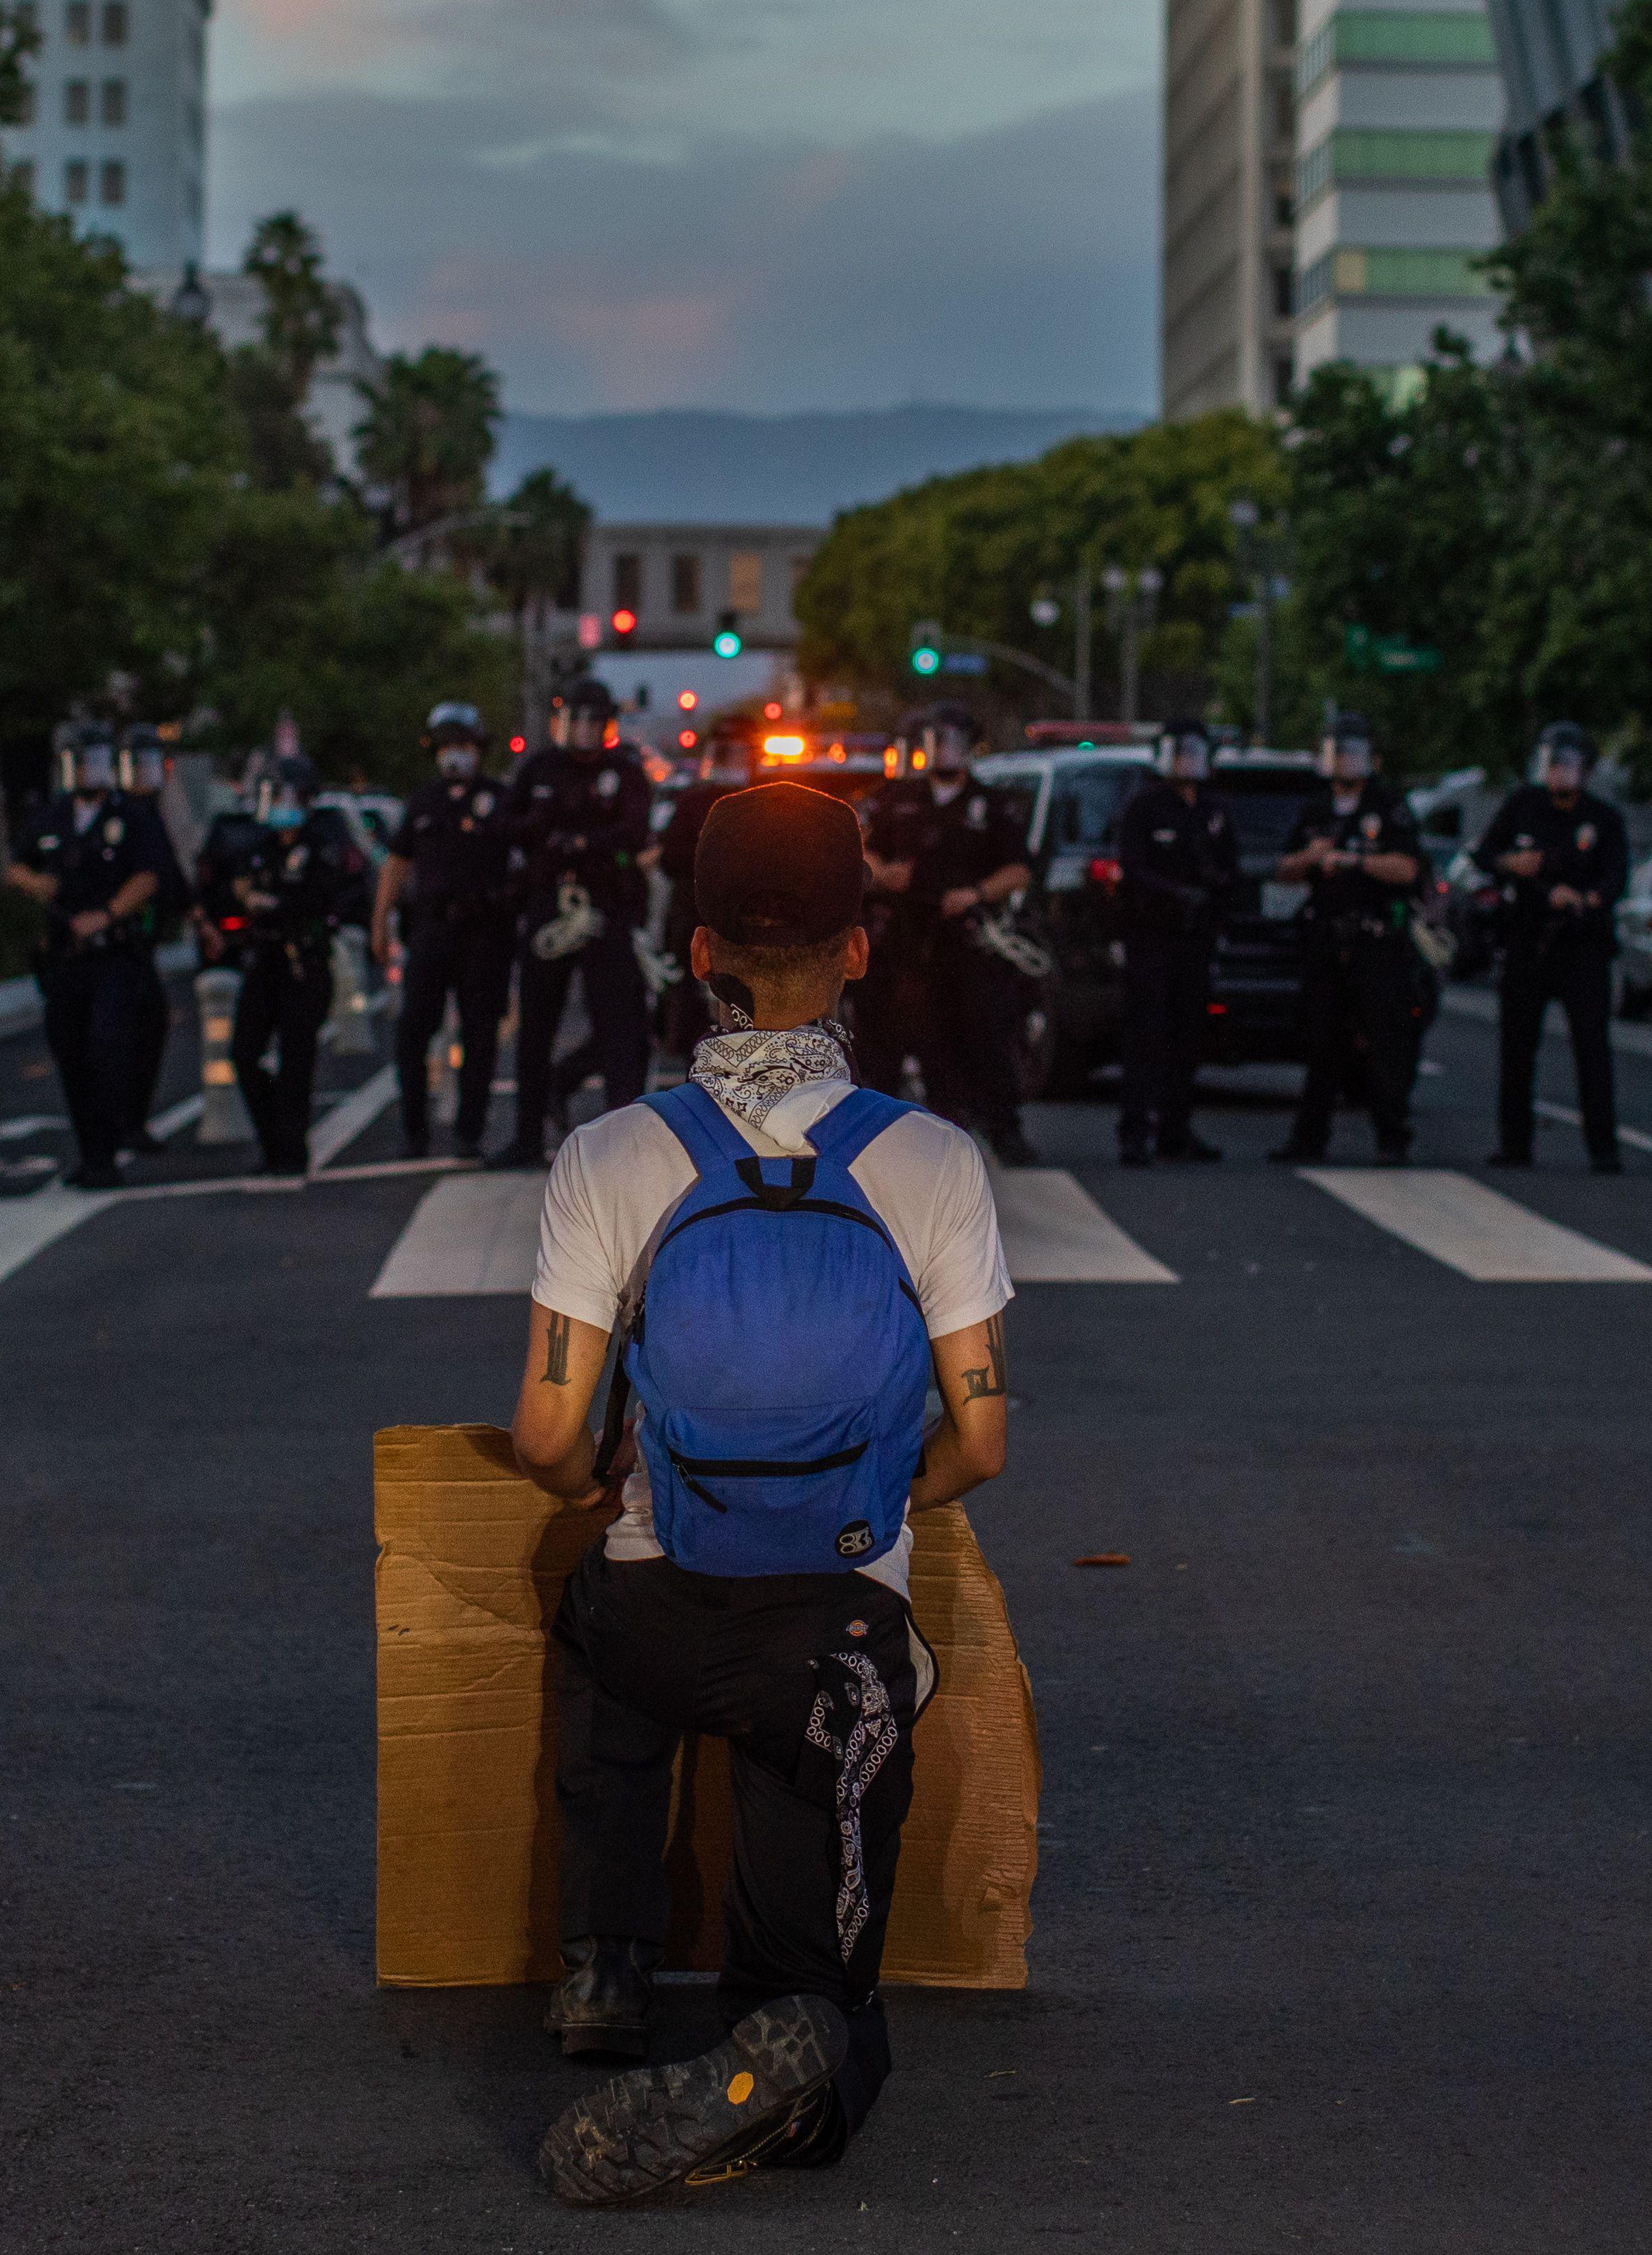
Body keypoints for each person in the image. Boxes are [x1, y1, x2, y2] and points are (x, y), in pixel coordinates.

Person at [516, 778, 1012, 2205]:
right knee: (829, 2002)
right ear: (861, 949)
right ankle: (783, 2030)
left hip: (661, 1610)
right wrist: (872, 1489)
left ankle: (604, 1960)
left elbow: (549, 1435)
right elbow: (981, 1443)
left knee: (593, 1615)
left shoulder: (612, 1153)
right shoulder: (928, 1160)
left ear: (697, 951)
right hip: (833, 1636)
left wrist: (613, 1464)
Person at [858, 702, 1040, 1167]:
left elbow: (1020, 870)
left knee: (985, 1035)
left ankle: (1004, 1129)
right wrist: (883, 875)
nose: (947, 750)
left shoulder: (991, 804)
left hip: (966, 940)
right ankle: (898, 1139)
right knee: (899, 1040)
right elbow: (865, 849)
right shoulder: (898, 797)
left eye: (957, 741)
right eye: (940, 740)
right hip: (904, 940)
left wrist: (976, 892)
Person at [495, 678, 657, 1169]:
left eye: (592, 721)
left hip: (606, 905)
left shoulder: (624, 771)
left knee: (618, 1024)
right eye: (574, 720)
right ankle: (527, 1136)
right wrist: (547, 830)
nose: (582, 732)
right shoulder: (539, 768)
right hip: (550, 905)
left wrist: (581, 843)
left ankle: (623, 1142)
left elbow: (634, 830)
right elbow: (509, 826)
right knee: (536, 1025)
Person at [9, 722, 173, 1190]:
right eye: (81, 761)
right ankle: (90, 1153)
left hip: (113, 954)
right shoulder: (53, 815)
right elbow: (15, 865)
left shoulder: (131, 815)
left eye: (96, 760)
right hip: (65, 958)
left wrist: (107, 914)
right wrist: (35, 883)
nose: (89, 770)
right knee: (71, 1053)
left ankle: (111, 1147)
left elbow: (149, 876)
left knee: (107, 1048)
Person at [197, 755, 371, 1178]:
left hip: (305, 962)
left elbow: (326, 898)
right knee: (244, 1051)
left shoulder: (323, 844)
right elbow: (227, 887)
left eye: (284, 796)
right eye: (271, 796)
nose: (276, 805)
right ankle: (273, 1139)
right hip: (266, 960)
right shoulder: (259, 847)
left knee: (297, 1058)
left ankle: (292, 1151)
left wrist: (275, 903)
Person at [1271, 712, 1427, 1166]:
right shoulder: (1315, 809)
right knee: (1321, 1043)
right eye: (1336, 752)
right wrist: (1312, 857)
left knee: (1385, 1043)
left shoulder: (1389, 806)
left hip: (1375, 940)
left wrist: (1354, 862)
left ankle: (1392, 1137)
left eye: (1352, 753)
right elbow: (1284, 870)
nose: (1343, 762)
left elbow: (1408, 868)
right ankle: (1309, 1138)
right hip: (1324, 938)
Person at [1472, 719, 1625, 1172]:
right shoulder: (1523, 806)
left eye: (1567, 763)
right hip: (1527, 938)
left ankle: (1603, 1148)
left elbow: (1616, 877)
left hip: (1582, 944)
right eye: (1551, 762)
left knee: (1592, 1047)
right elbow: (1483, 855)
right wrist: (1510, 863)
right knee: (1517, 1047)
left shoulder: (1602, 819)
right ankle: (1515, 1144)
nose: (1558, 771)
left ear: (1587, 769)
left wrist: (1586, 899)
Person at [376, 703, 519, 1160]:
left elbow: (525, 860)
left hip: (485, 932)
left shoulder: (500, 798)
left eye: (462, 746)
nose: (453, 756)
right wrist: (378, 922)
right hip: (431, 929)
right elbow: (396, 863)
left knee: (478, 1036)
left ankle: (469, 1133)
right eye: (445, 747)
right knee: (413, 1033)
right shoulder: (423, 800)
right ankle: (413, 1130)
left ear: (478, 749)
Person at [1110, 716, 1237, 1167]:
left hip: (1196, 942)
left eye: (1195, 752)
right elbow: (1132, 868)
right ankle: (1134, 1134)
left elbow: (1231, 871)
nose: (1187, 761)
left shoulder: (1214, 811)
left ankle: (1175, 1131)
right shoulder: (1144, 806)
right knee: (1146, 1037)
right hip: (1152, 938)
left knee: (1187, 1038)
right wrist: (1173, 894)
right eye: (1178, 752)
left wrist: (1214, 898)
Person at [651, 738, 752, 1064]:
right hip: (698, 921)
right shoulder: (695, 801)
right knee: (693, 1013)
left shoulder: (767, 800)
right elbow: (670, 859)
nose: (734, 761)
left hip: (748, 926)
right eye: (729, 753)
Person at [118, 731, 182, 1157]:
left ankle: (131, 1121)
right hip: (119, 944)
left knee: (147, 1027)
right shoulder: (122, 813)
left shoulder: (152, 811)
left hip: (141, 944)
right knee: (123, 1033)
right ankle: (122, 1124)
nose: (152, 773)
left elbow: (170, 876)